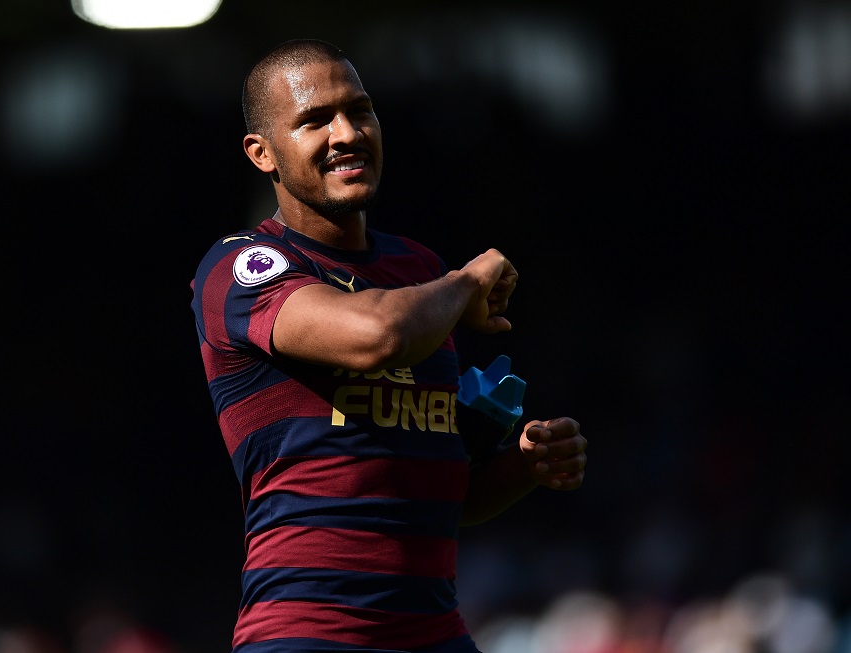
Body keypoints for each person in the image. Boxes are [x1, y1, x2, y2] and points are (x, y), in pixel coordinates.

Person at [190, 38, 587, 653]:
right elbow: (377, 337)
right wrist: (464, 283)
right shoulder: (241, 267)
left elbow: (439, 491)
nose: (347, 134)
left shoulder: (418, 271)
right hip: (311, 633)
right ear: (262, 153)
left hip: (435, 630)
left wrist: (525, 465)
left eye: (360, 111)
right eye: (315, 120)